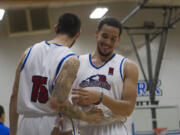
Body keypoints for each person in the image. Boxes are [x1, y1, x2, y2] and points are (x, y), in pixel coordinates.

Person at [9, 13, 103, 135]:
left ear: (56, 28)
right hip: (53, 125)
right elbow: (58, 102)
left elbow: (14, 97)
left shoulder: (28, 52)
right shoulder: (71, 60)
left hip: (26, 125)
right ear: (78, 34)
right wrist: (87, 117)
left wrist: (12, 132)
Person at [71, 17, 139, 135]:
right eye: (105, 36)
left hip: (113, 129)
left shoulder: (128, 66)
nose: (108, 42)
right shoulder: (76, 63)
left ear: (118, 40)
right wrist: (76, 101)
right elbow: (61, 101)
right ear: (97, 34)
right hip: (84, 129)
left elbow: (128, 109)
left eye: (113, 39)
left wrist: (100, 98)